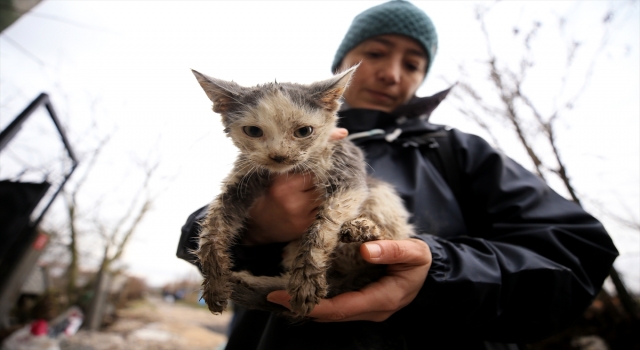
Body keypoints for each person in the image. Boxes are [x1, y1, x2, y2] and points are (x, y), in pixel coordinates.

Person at [177, 1, 619, 349]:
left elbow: (578, 252)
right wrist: (254, 230)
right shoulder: (276, 140)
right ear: (341, 68)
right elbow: (200, 231)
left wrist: (440, 273)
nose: (391, 73)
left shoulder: (457, 151)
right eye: (375, 53)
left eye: (412, 64)